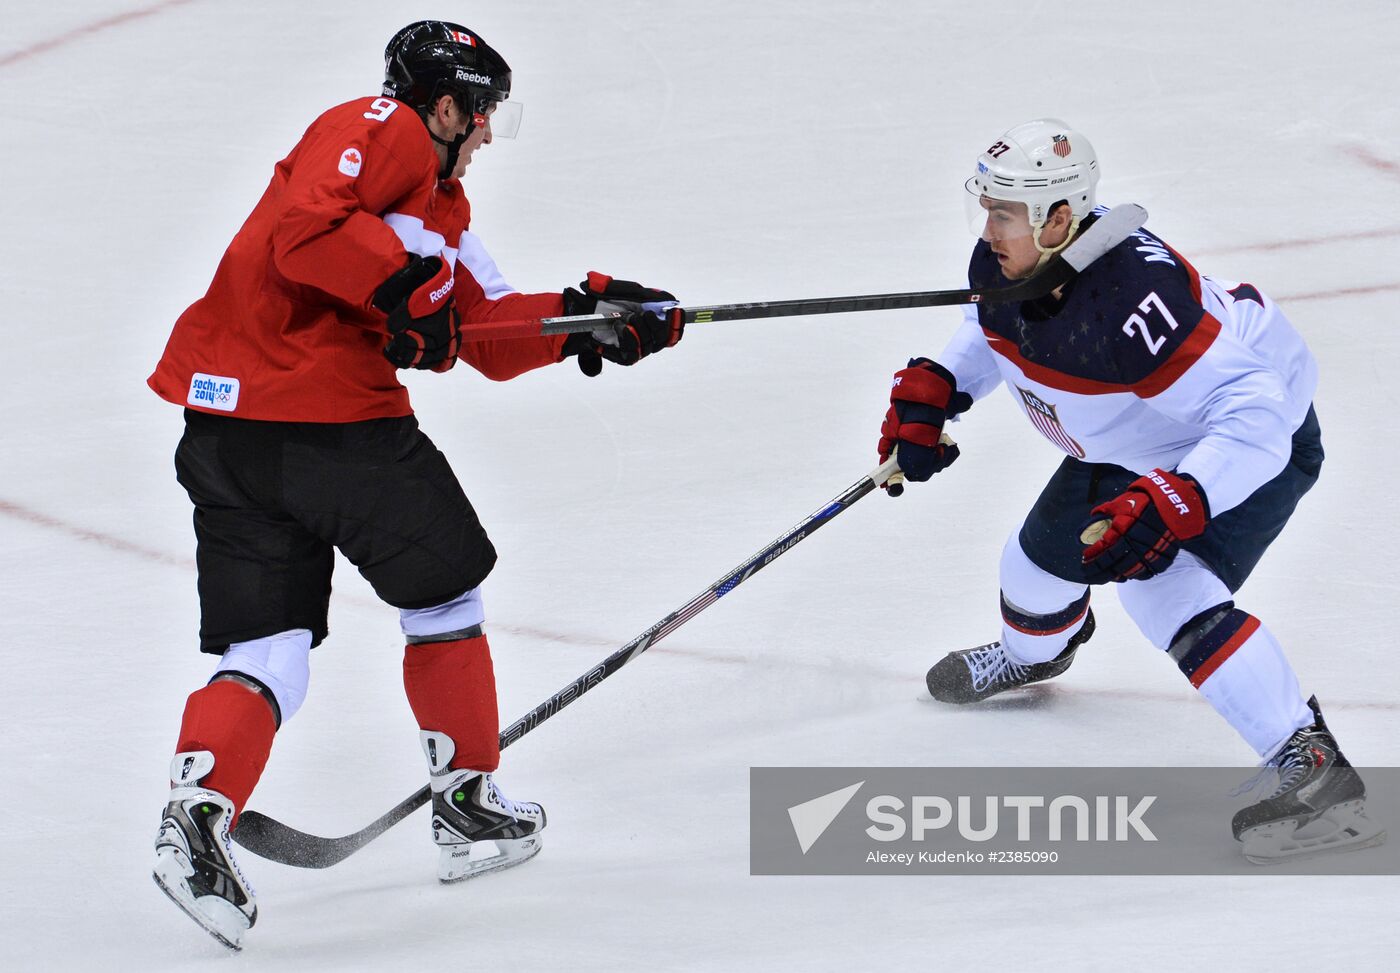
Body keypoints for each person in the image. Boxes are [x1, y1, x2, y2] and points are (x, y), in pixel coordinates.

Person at [147, 20, 683, 950]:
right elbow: (308, 233)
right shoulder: (382, 125)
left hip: (227, 435)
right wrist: (404, 288)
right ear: (444, 107)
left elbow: (483, 330)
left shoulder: (434, 211)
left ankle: (196, 817)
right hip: (334, 429)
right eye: (481, 115)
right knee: (445, 597)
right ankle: (468, 803)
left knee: (268, 646)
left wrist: (589, 321)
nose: (486, 135)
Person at [877, 118, 1383, 862]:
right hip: (1135, 441)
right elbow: (994, 326)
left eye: (1004, 213)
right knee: (1033, 570)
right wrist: (941, 387)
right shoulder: (1014, 259)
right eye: (985, 208)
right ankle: (1035, 656)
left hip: (1240, 448)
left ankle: (1319, 777)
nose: (987, 230)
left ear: (1058, 217)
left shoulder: (1138, 301)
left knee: (1161, 588)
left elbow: (1256, 415)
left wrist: (1180, 497)